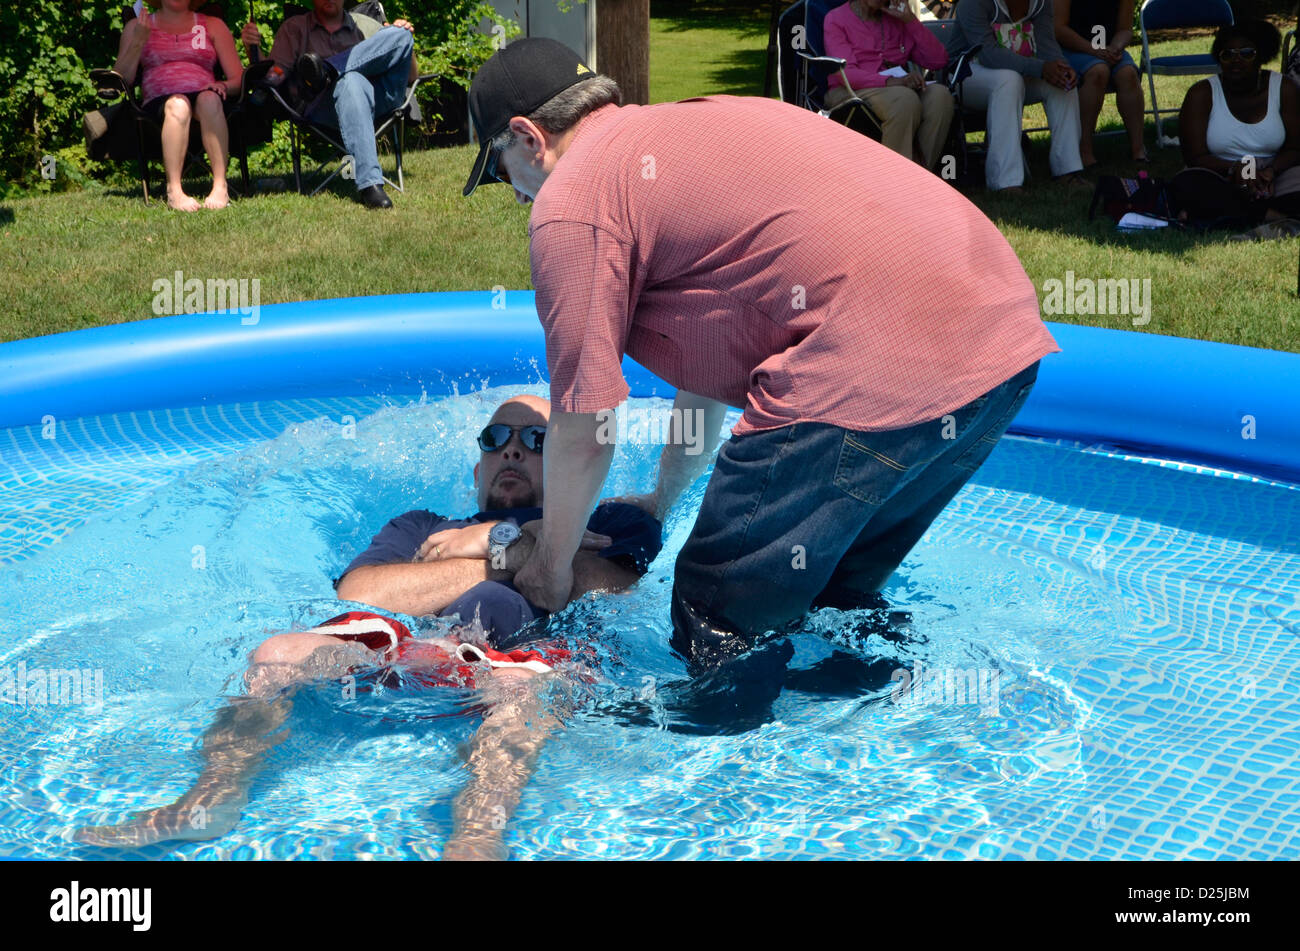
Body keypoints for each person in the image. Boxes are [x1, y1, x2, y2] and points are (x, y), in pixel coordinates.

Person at [460, 39, 1058, 711]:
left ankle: (710, 777)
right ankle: (881, 741)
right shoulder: (689, 134)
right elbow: (711, 366)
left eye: (500, 170)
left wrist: (547, 571)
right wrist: (661, 498)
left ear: (527, 136)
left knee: (717, 603)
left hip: (875, 365)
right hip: (1001, 347)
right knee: (833, 594)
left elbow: (587, 426)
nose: (513, 194)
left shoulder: (573, 200)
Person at [74, 395, 663, 860]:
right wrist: (500, 545)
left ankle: (476, 839)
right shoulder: (421, 524)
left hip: (527, 657)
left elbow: (604, 584)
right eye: (495, 439)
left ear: (569, 466)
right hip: (414, 650)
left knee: (520, 694)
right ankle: (211, 798)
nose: (511, 450)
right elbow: (359, 593)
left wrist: (513, 539)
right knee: (279, 651)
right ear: (476, 467)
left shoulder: (607, 518)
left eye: (535, 439)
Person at [240, 0, 419, 208]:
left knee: (402, 35)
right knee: (350, 81)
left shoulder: (366, 25)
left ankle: (328, 69)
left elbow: (411, 77)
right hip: (323, 107)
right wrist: (253, 50)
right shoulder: (295, 28)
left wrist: (400, 34)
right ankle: (370, 185)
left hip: (379, 100)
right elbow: (274, 76)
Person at [1169, 19, 1300, 239]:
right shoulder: (1201, 93)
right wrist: (1234, 170)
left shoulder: (1283, 88)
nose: (1236, 60)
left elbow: (1296, 147)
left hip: (1274, 172)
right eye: (1227, 54)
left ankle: (1235, 214)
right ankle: (1269, 214)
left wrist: (1270, 172)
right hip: (1220, 173)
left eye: (1246, 53)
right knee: (1187, 185)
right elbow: (1194, 156)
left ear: (1261, 56)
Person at [112, 0, 243, 210]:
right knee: (178, 104)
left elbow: (238, 79)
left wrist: (222, 85)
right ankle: (174, 190)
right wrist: (138, 41)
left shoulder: (213, 25)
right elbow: (121, 79)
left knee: (210, 100)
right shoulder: (137, 26)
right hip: (158, 104)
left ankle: (220, 186)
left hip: (205, 95)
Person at [944, 0, 1086, 192]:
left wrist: (1061, 66)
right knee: (1009, 80)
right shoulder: (972, 3)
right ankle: (1005, 182)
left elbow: (1047, 44)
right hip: (964, 76)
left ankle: (1068, 171)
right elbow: (988, 55)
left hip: (1017, 72)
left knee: (1062, 84)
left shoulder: (1040, 3)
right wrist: (1041, 68)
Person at [822, 0, 955, 172]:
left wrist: (910, 21)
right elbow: (846, 74)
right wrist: (892, 81)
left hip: (895, 88)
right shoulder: (836, 19)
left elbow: (938, 60)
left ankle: (919, 175)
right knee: (904, 99)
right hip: (848, 89)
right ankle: (893, 180)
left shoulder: (895, 19)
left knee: (940, 96)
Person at [1053, 0, 1147, 166]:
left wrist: (1115, 47)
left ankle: (1138, 148)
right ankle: (1084, 150)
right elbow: (1058, 29)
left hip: (1107, 48)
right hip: (1071, 49)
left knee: (1128, 74)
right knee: (1098, 72)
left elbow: (1125, 29)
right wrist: (1094, 50)